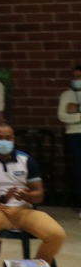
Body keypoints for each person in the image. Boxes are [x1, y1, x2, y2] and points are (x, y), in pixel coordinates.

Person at [0, 123, 65, 267]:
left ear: (13, 139)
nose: (4, 141)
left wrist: (27, 196)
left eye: (8, 138)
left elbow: (39, 195)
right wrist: (2, 198)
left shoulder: (26, 160)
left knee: (56, 234)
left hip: (24, 210)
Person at [55, 65, 81, 218]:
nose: (76, 80)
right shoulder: (66, 95)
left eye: (79, 77)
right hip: (73, 135)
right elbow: (62, 116)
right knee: (79, 169)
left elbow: (69, 114)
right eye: (74, 77)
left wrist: (75, 110)